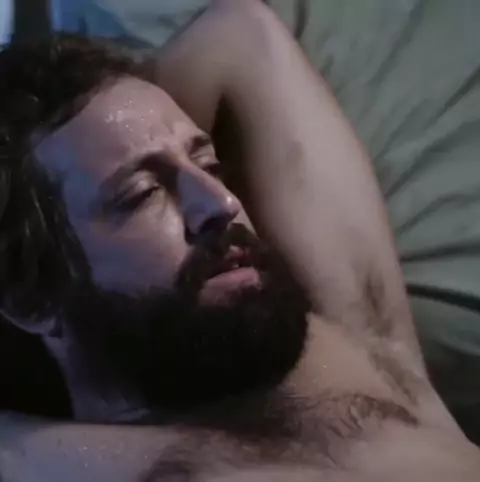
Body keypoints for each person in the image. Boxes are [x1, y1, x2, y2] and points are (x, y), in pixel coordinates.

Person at [0, 0, 479, 481]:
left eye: (208, 165)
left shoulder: (367, 349)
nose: (223, 203)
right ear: (32, 296)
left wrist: (120, 120)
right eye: (142, 194)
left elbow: (241, 34)